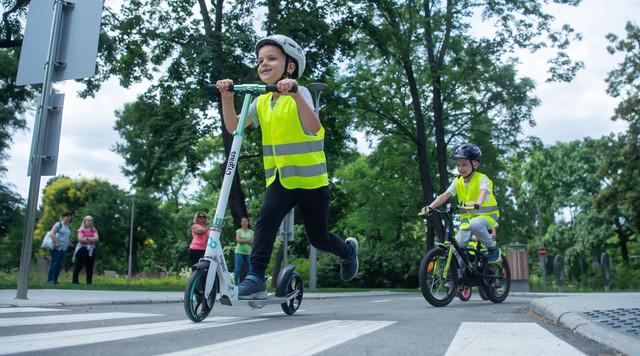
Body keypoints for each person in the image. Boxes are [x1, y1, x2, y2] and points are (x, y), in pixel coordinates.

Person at [216, 34, 358, 300]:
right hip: (280, 180)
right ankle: (256, 277)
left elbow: (314, 126)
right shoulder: (260, 101)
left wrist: (294, 94)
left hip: (310, 181)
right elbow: (234, 127)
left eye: (271, 59)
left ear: (290, 66)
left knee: (319, 238)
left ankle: (348, 251)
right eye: (260, 60)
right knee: (265, 222)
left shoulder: (300, 93)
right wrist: (226, 96)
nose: (263, 64)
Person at [421, 143, 501, 264]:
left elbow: (483, 192)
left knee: (475, 224)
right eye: (458, 165)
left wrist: (477, 203)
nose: (460, 168)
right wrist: (430, 207)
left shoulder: (482, 178)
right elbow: (444, 195)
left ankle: (492, 248)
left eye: (464, 164)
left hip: (487, 217)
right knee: (455, 248)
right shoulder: (458, 181)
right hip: (466, 222)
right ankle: (454, 279)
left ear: (475, 164)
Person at [47, 211, 73, 284]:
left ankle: (55, 280)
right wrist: (56, 242)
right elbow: (52, 234)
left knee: (59, 264)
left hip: (64, 248)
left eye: (70, 217)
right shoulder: (59, 224)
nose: (68, 218)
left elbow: (66, 237)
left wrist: (69, 243)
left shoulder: (68, 226)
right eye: (67, 216)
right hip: (56, 247)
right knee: (54, 263)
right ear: (64, 217)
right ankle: (50, 280)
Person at [72, 215, 99, 284]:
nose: (89, 222)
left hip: (91, 249)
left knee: (90, 266)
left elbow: (96, 238)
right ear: (85, 221)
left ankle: (89, 282)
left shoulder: (94, 230)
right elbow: (80, 239)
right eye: (88, 220)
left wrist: (87, 238)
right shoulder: (81, 230)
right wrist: (91, 238)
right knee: (79, 265)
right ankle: (75, 281)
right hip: (82, 249)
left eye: (91, 221)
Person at [234, 216, 253, 286]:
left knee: (249, 269)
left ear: (248, 223)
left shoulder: (251, 232)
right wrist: (247, 240)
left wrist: (243, 240)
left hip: (248, 252)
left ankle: (247, 284)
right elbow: (238, 240)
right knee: (237, 269)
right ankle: (236, 285)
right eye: (243, 221)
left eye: (246, 221)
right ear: (241, 223)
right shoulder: (238, 231)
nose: (244, 222)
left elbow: (252, 242)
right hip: (239, 251)